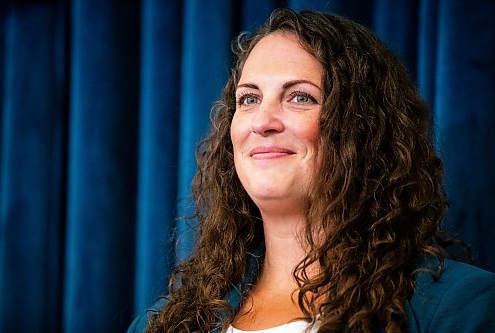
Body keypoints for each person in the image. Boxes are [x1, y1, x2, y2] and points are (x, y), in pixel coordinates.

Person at [128, 8, 495, 333]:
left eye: (300, 97)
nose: (262, 122)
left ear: (363, 127)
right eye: (249, 99)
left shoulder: (462, 309)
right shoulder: (162, 323)